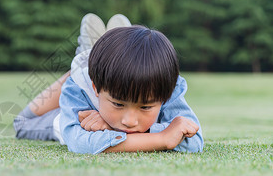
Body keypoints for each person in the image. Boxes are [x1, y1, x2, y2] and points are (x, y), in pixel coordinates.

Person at [13, 13, 203, 154]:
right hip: (83, 98)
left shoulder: (165, 83)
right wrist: (162, 137)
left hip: (104, 85)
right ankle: (88, 60)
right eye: (118, 104)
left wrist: (111, 128)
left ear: (166, 95)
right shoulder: (79, 89)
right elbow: (78, 142)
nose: (129, 121)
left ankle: (101, 55)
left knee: (99, 73)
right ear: (97, 87)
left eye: (145, 107)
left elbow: (195, 141)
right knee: (21, 124)